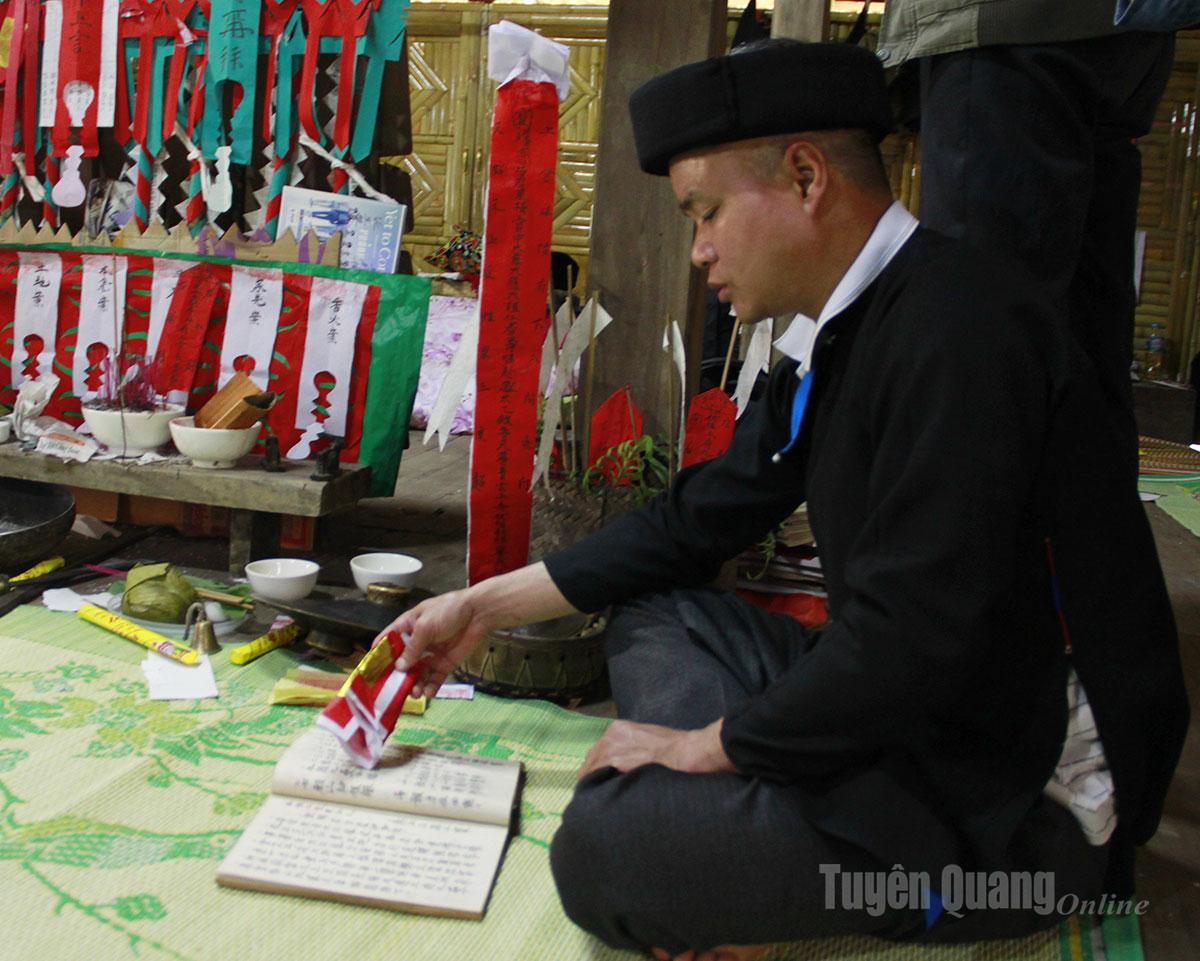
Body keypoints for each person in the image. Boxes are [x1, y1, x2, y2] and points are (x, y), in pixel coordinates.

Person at [385, 40, 1189, 960]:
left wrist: (705, 746)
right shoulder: (840, 334)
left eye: (708, 212)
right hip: (909, 705)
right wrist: (480, 606)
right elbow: (696, 521)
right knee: (657, 610)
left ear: (806, 177)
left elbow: (912, 640)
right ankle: (747, 829)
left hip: (1015, 799)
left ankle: (737, 836)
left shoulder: (963, 328)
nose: (700, 250)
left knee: (606, 853)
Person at [877, 0, 1179, 474]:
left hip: (1004, 25)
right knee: (1086, 346)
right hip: (1126, 32)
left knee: (981, 348)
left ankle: (969, 520)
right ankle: (1087, 523)